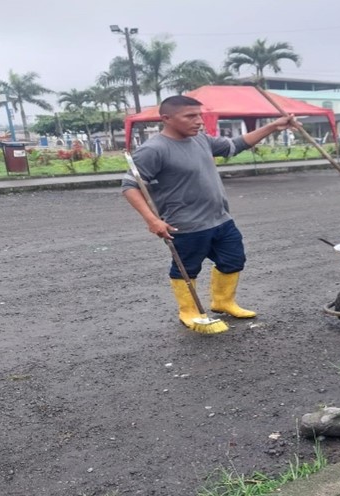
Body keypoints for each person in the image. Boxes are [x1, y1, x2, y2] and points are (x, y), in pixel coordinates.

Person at [122, 95, 295, 329]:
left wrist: (273, 126)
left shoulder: (201, 139)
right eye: (190, 116)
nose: (199, 121)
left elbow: (237, 145)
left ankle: (223, 302)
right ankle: (189, 311)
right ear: (166, 118)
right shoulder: (153, 149)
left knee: (233, 260)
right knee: (187, 269)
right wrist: (152, 220)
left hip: (220, 219)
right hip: (185, 225)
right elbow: (130, 186)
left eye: (199, 115)